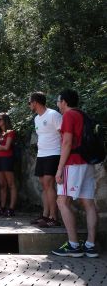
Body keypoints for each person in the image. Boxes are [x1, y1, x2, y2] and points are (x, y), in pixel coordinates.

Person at [52, 89, 98, 258]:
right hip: (87, 162)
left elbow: (67, 143)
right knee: (89, 203)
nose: (57, 104)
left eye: (58, 101)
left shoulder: (69, 116)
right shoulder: (82, 115)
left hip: (72, 164)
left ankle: (73, 245)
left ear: (64, 101)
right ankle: (90, 246)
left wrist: (59, 168)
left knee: (62, 201)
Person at [28, 92, 62, 227]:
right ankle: (45, 215)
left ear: (35, 102)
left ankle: (54, 218)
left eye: (29, 102)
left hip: (54, 153)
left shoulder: (53, 114)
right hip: (41, 155)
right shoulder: (36, 118)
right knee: (44, 184)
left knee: (49, 183)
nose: (29, 105)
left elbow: (63, 135)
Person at [0, 113, 17, 217]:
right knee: (2, 185)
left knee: (11, 184)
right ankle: (2, 208)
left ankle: (11, 209)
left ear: (5, 120)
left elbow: (7, 147)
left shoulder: (10, 132)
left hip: (7, 159)